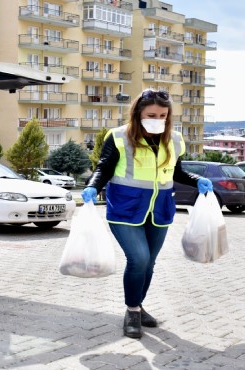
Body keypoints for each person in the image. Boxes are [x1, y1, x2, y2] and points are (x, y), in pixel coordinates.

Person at [81, 89, 213, 339]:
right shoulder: (119, 137)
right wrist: (92, 186)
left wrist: (197, 180)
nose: (157, 119)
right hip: (125, 209)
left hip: (160, 210)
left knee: (149, 263)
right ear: (138, 112)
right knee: (139, 259)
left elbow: (177, 172)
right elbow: (104, 168)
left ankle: (138, 306)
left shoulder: (174, 139)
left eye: (163, 115)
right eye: (151, 114)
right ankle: (131, 311)